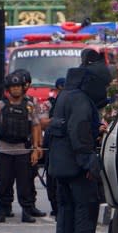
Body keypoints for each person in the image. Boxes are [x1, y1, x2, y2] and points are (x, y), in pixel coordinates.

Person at [48, 48, 111, 233]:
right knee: (86, 203)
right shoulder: (82, 101)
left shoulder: (65, 95)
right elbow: (80, 133)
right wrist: (89, 163)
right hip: (75, 163)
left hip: (59, 163)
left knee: (66, 205)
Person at [0, 72, 41, 223]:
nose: (16, 89)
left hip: (23, 150)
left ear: (22, 88)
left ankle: (26, 211)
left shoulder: (29, 106)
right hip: (5, 150)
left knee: (24, 184)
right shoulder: (0, 106)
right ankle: (2, 210)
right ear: (8, 89)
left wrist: (36, 149)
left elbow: (35, 127)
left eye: (18, 86)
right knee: (4, 182)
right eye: (13, 87)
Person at [12, 69, 47, 218]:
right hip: (9, 145)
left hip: (27, 145)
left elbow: (38, 125)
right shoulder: (7, 102)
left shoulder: (32, 102)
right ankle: (4, 207)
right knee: (5, 179)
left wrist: (37, 145)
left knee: (28, 178)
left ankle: (29, 206)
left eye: (24, 84)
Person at [40, 77, 66, 216]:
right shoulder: (48, 104)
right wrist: (57, 121)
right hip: (51, 146)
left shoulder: (71, 104)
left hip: (65, 147)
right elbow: (42, 122)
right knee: (51, 178)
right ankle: (55, 207)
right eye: (60, 89)